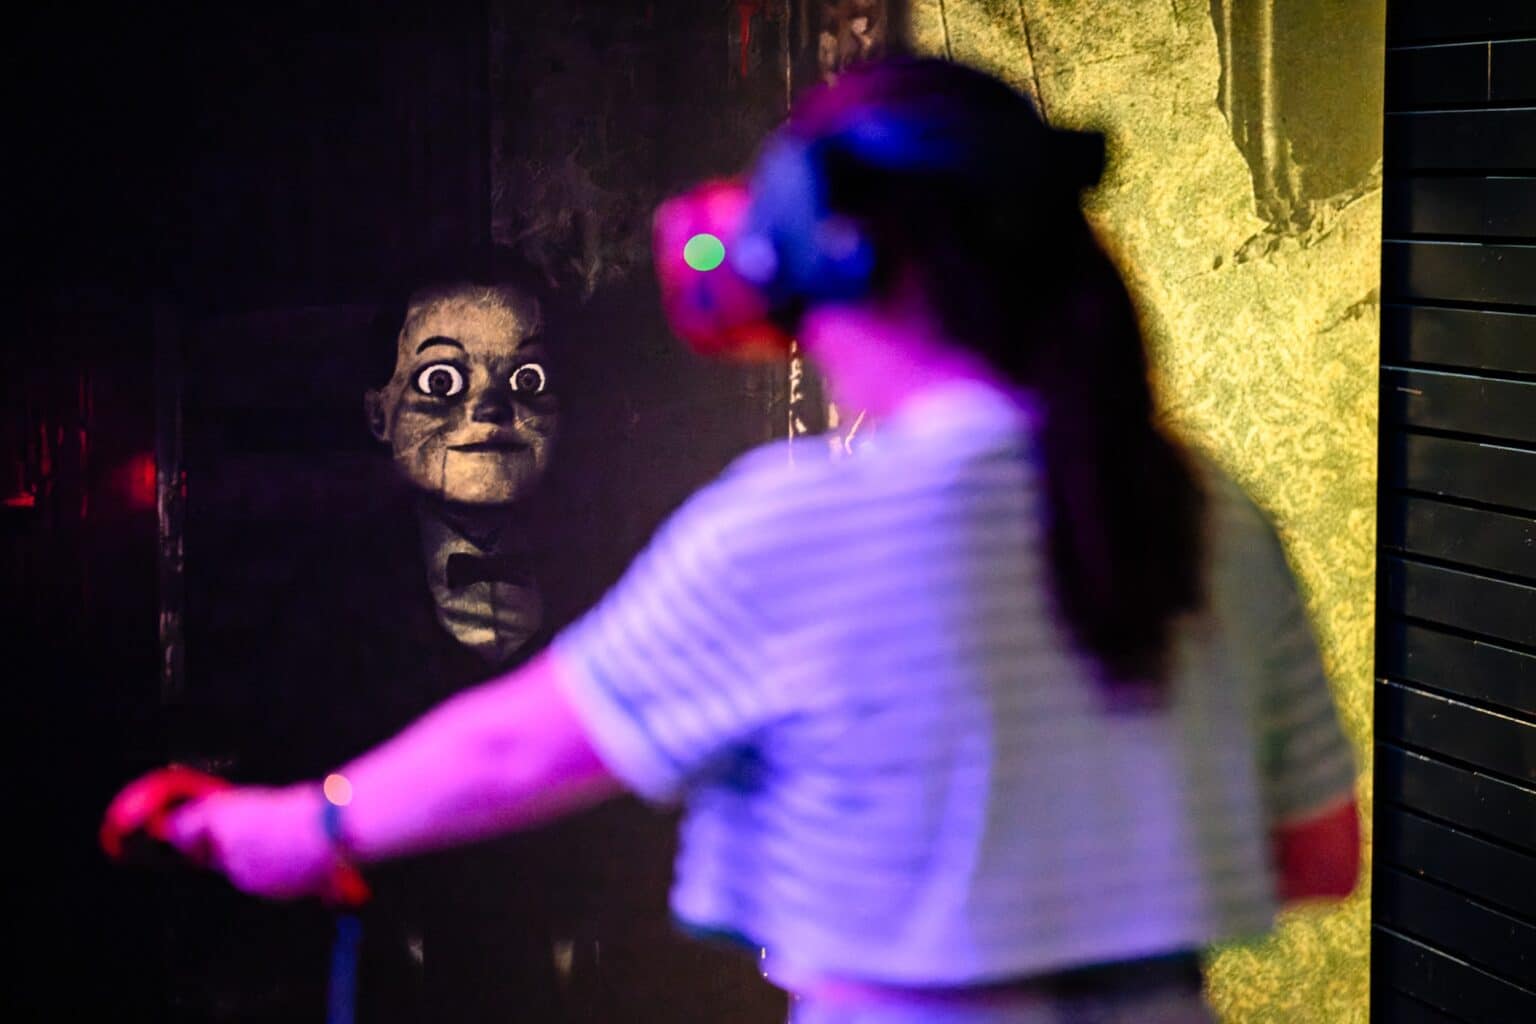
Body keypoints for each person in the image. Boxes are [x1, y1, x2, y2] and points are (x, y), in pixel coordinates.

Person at [157, 58, 1360, 1023]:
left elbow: (522, 746)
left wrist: (296, 826)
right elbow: (1318, 854)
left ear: (831, 268)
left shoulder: (797, 523)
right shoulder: (1211, 512)